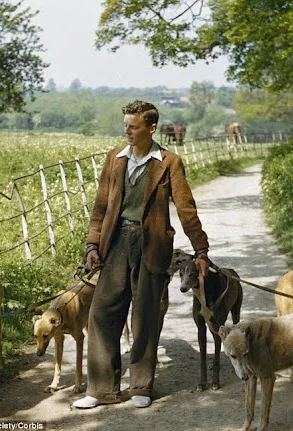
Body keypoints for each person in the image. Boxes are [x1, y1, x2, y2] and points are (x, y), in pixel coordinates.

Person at [73, 100, 209, 409]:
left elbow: (186, 209)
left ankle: (141, 387)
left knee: (145, 316)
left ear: (151, 128)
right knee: (102, 313)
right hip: (116, 242)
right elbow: (101, 208)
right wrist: (93, 245)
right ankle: (101, 388)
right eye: (125, 126)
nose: (127, 132)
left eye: (133, 127)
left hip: (152, 245)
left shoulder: (169, 162)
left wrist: (200, 248)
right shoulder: (114, 159)